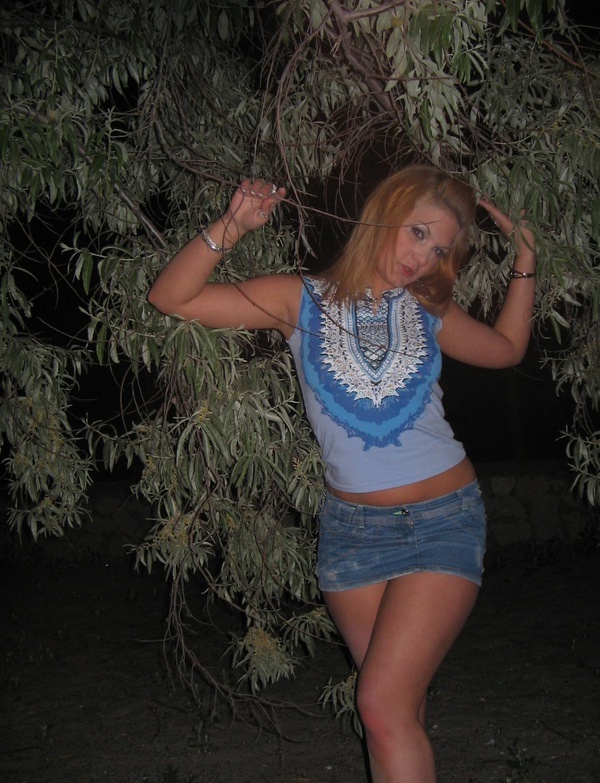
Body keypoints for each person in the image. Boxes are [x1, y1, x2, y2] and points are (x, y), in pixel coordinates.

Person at [147, 165, 536, 783]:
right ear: (385, 213)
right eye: (418, 233)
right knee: (397, 711)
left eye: (439, 250)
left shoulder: (427, 308)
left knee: (379, 706)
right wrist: (233, 226)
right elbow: (172, 299)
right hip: (353, 534)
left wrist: (526, 261)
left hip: (443, 520)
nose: (423, 257)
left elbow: (506, 348)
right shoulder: (297, 299)